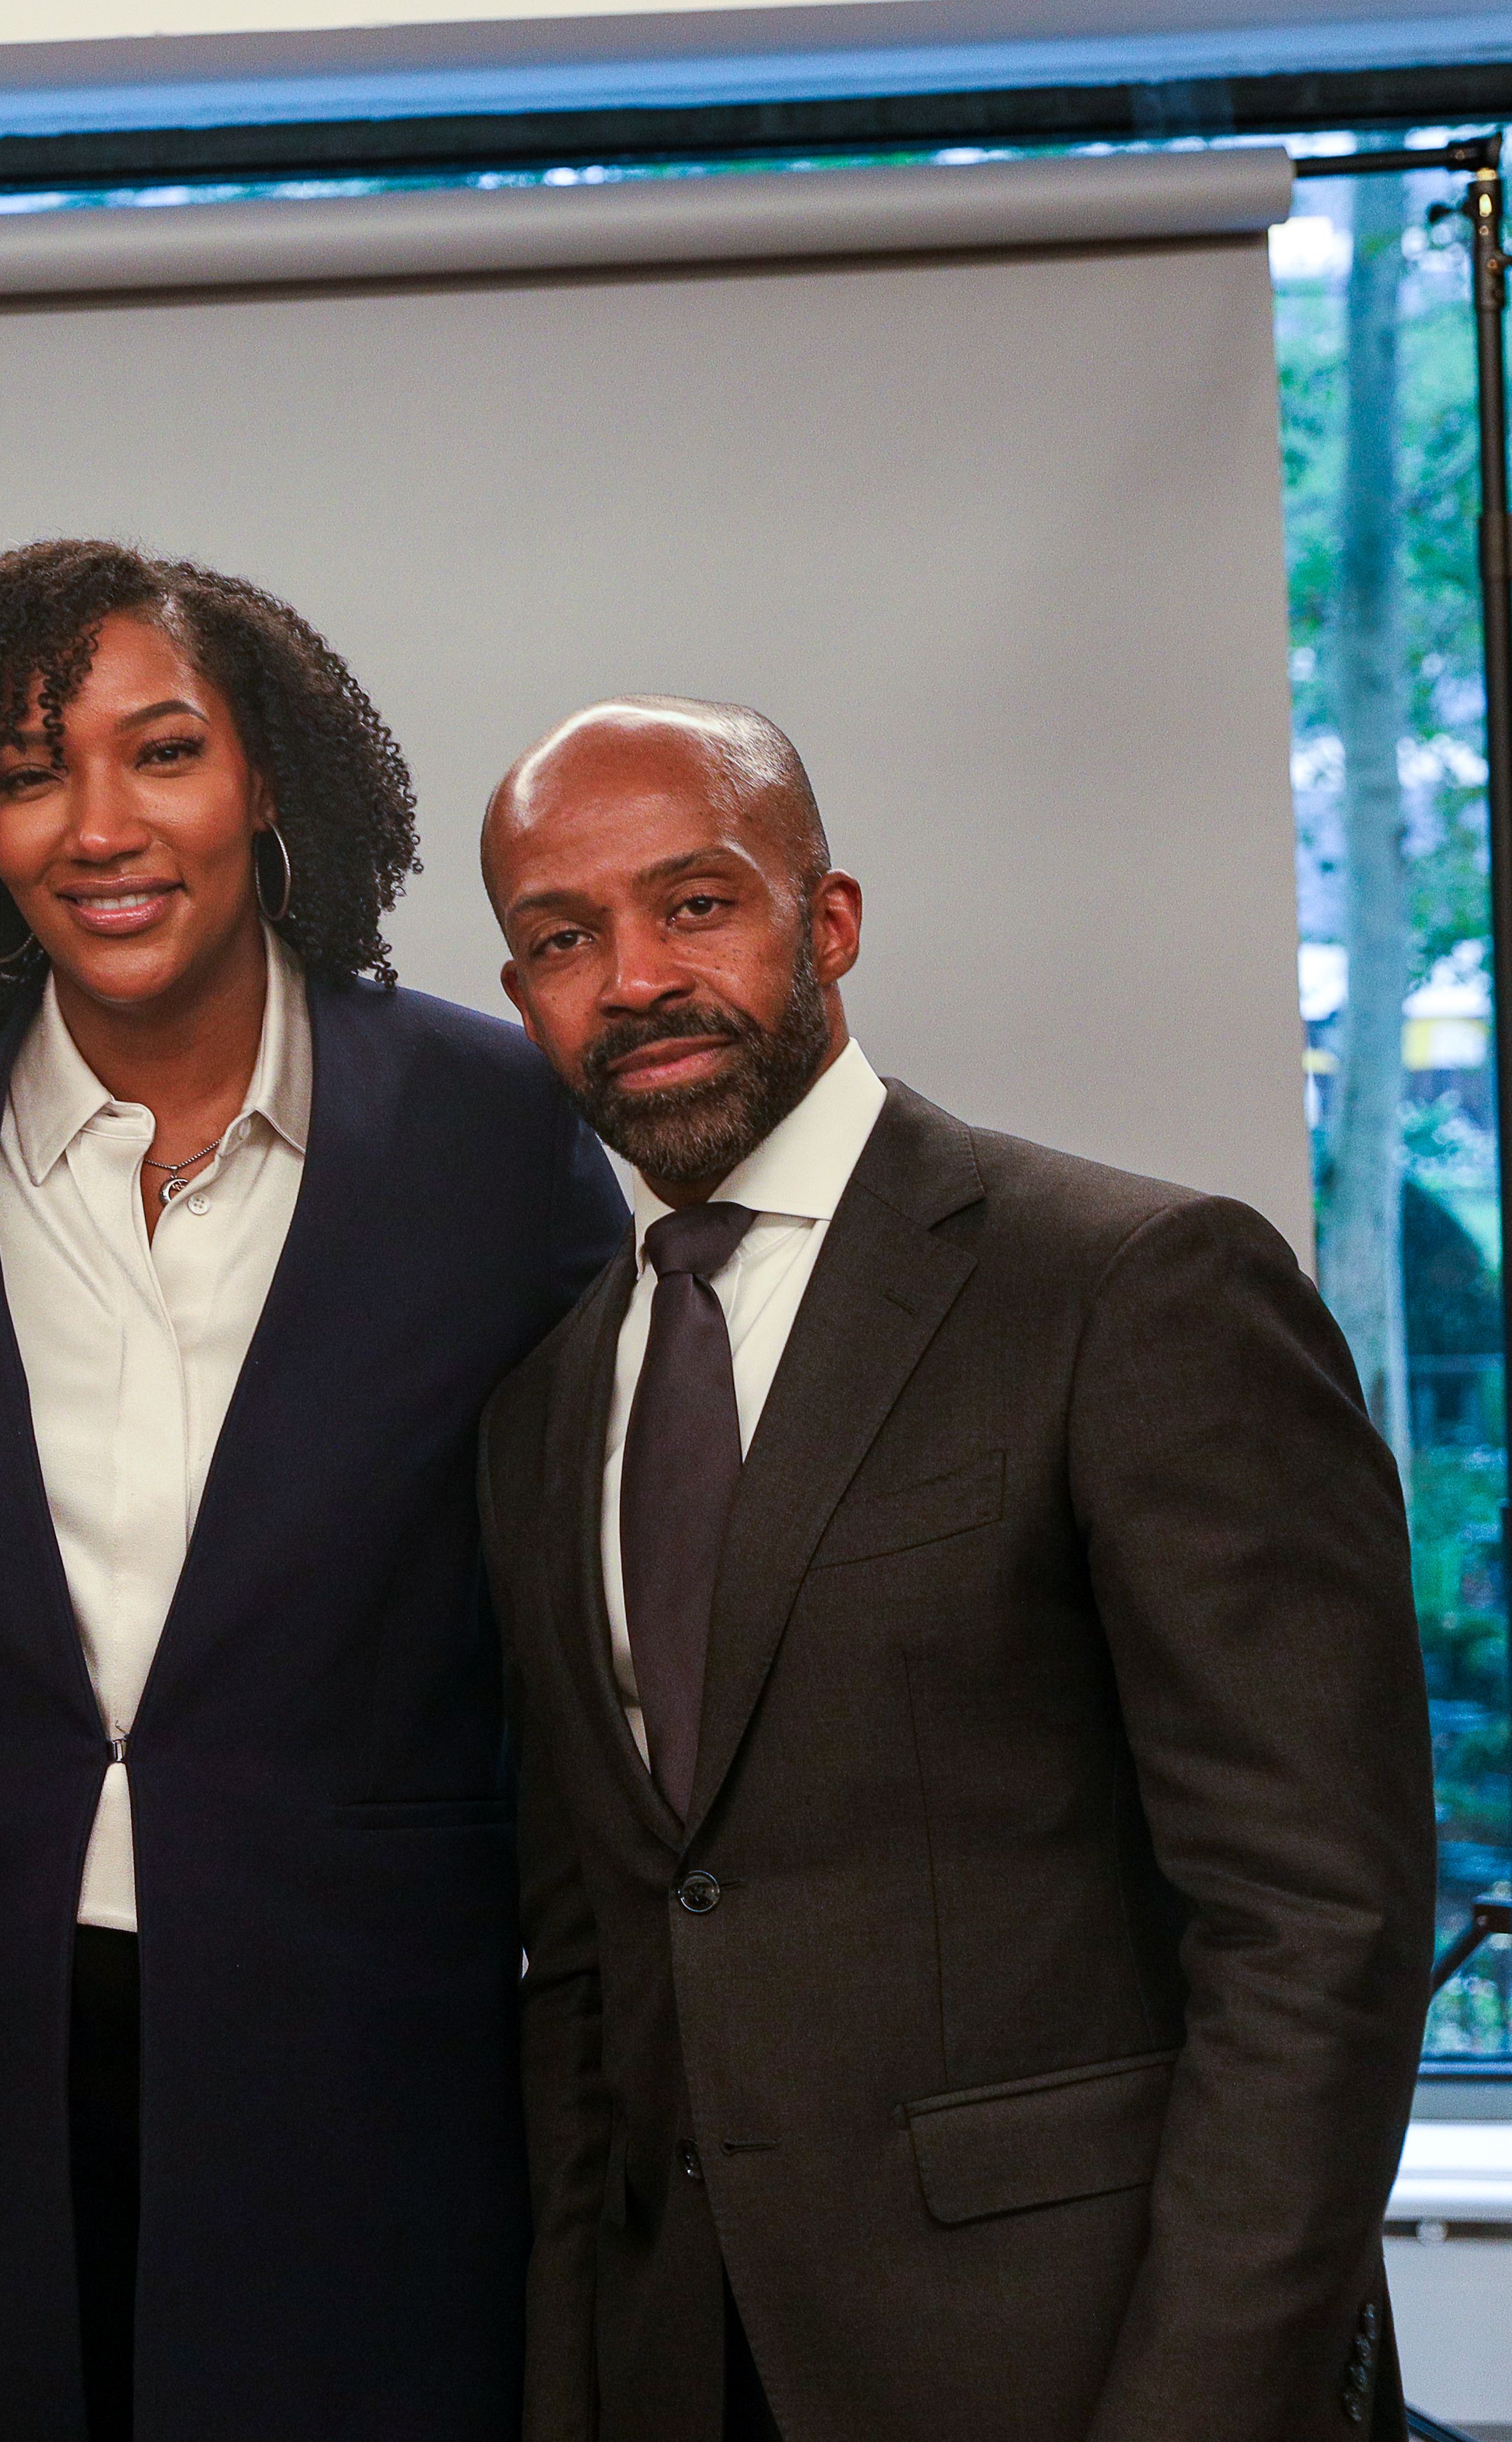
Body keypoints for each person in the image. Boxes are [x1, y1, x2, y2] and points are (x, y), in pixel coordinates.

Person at [474, 697, 1429, 2442]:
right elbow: (593, 1984)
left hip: (1081, 2373)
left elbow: (1318, 1928)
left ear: (825, 923)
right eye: (560, 938)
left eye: (696, 904)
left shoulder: (1135, 1290)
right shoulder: (541, 1408)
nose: (630, 978)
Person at [0, 542, 625, 2441]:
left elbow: (589, 1588)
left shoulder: (494, 1127)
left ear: (268, 780)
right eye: (29, 774)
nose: (102, 825)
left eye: (162, 753)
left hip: (364, 2051)